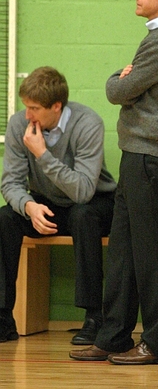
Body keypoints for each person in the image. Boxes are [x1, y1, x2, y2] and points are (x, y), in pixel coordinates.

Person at [70, 0, 158, 365]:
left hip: (152, 158)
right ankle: (115, 335)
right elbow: (129, 88)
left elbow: (120, 89)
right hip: (139, 155)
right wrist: (124, 82)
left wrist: (117, 80)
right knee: (122, 249)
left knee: (153, 253)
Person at [0, 67, 116, 344]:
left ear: (56, 106)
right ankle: (3, 317)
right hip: (45, 203)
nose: (28, 115)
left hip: (94, 201)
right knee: (4, 218)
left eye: (35, 108)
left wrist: (42, 154)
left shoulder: (88, 123)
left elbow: (83, 191)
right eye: (26, 106)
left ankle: (93, 317)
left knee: (83, 216)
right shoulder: (19, 125)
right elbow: (10, 184)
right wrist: (29, 206)